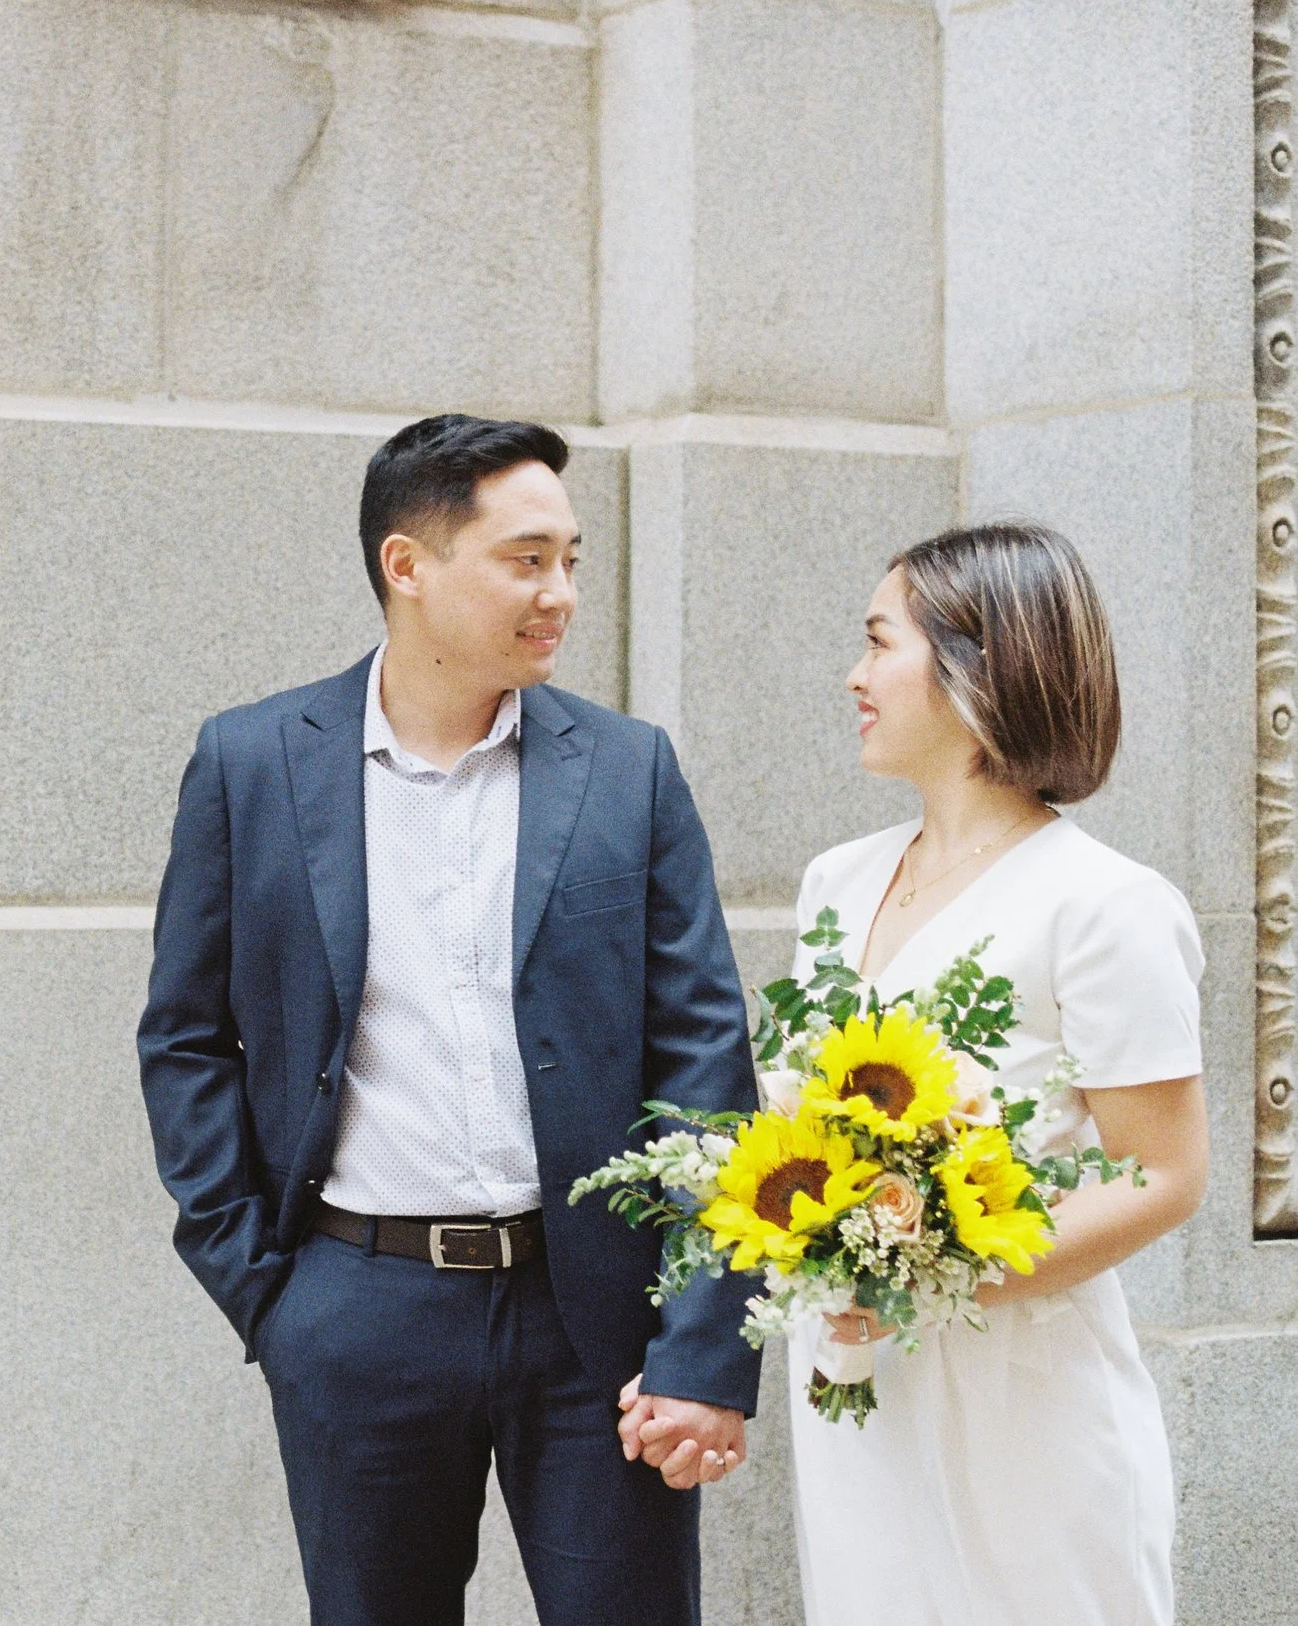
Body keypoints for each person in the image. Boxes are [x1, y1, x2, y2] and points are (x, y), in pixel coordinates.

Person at [136, 414, 762, 1626]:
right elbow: (186, 1036)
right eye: (526, 560)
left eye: (569, 559)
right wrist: (266, 1293)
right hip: (357, 1309)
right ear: (407, 565)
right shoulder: (252, 762)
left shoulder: (626, 769)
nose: (560, 593)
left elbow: (703, 1061)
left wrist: (703, 1339)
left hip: (599, 1323)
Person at [789, 523, 1209, 1625]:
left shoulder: (1107, 905)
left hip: (1024, 1386)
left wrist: (929, 1274)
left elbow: (1163, 1175)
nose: (854, 676)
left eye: (879, 642)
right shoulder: (837, 882)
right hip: (853, 1376)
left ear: (977, 668)